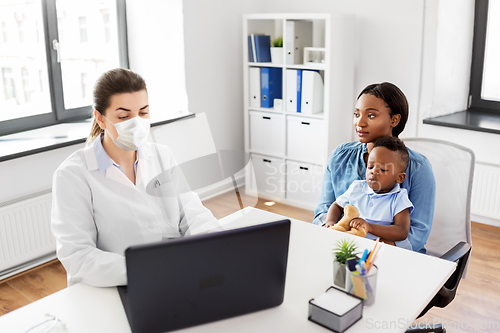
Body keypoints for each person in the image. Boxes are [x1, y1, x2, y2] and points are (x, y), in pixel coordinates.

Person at [51, 68, 221, 287]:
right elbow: (78, 256)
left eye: (143, 113)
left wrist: (216, 244)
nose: (137, 123)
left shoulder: (161, 155)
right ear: (100, 119)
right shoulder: (73, 175)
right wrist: (149, 269)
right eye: (124, 116)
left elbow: (192, 213)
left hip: (176, 277)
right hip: (117, 287)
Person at [313, 82, 435, 253]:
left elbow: (418, 232)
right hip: (339, 245)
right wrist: (333, 231)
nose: (359, 123)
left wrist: (371, 248)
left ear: (394, 119)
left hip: (389, 254)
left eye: (370, 115)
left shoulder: (418, 168)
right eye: (356, 114)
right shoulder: (339, 156)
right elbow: (323, 211)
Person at [324, 137, 413, 245]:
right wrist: (330, 222)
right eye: (370, 166)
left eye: (383, 169)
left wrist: (369, 227)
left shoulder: (399, 198)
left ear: (400, 178)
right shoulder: (357, 187)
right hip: (354, 241)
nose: (374, 171)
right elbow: (337, 206)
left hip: (379, 246)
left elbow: (402, 231)